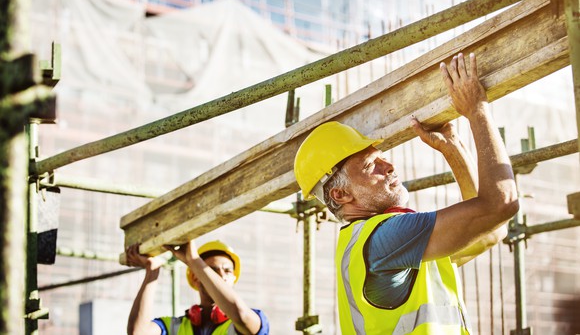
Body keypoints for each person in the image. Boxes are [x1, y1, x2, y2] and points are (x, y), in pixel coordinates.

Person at [294, 52, 519, 334]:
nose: (388, 166)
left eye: (382, 157)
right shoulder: (384, 238)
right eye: (370, 165)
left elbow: (490, 232)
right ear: (340, 195)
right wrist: (477, 110)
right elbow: (502, 204)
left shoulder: (389, 245)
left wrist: (454, 149)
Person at [125, 239, 270, 335]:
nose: (221, 276)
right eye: (212, 270)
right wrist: (152, 272)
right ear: (195, 277)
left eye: (227, 270)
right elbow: (138, 332)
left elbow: (241, 315)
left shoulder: (250, 320)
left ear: (233, 278)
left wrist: (194, 261)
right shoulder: (176, 327)